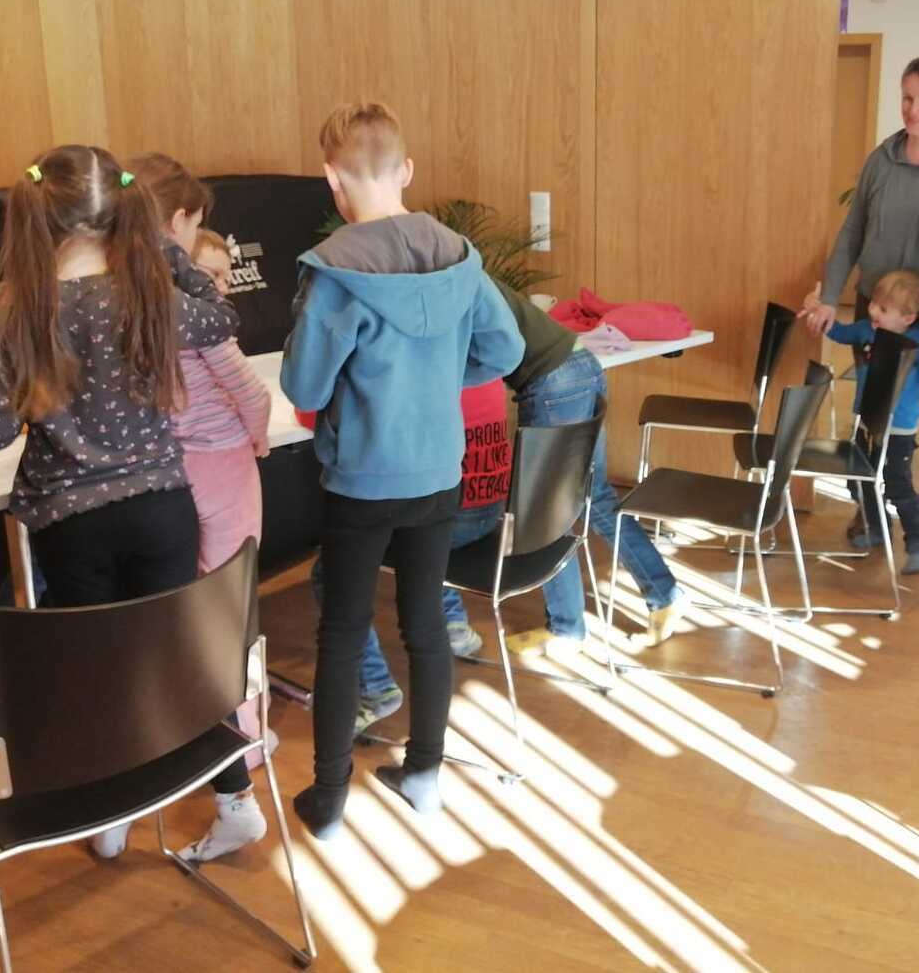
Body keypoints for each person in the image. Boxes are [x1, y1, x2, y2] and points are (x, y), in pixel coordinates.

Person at [0, 145, 252, 860]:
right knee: (179, 652)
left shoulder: (5, 306)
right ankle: (235, 798)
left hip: (70, 520)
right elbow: (220, 317)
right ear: (126, 213)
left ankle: (115, 809)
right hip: (161, 506)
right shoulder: (146, 292)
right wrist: (165, 251)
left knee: (102, 666)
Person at [281, 102, 524, 839]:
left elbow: (305, 388)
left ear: (332, 179)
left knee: (343, 632)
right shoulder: (460, 257)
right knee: (425, 624)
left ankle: (329, 800)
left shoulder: (335, 274)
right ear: (407, 170)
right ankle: (423, 775)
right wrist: (438, 382)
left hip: (362, 479)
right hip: (438, 472)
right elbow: (506, 351)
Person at [128, 153, 275, 862]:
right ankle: (244, 746)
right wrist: (258, 436)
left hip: (168, 471)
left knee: (190, 612)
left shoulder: (122, 293)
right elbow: (247, 389)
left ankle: (206, 738)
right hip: (224, 467)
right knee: (230, 614)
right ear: (180, 220)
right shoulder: (190, 307)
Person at [803, 51, 919, 546]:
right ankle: (870, 502)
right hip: (880, 305)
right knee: (876, 400)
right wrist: (829, 296)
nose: (914, 109)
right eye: (907, 97)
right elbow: (852, 232)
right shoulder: (881, 159)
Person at [492, 280, 689, 660]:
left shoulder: (446, 287)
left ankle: (566, 628)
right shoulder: (466, 274)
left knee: (545, 509)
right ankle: (665, 595)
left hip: (553, 382)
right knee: (594, 497)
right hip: (582, 363)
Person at [345, 378, 506, 734]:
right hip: (492, 514)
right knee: (423, 527)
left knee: (333, 571)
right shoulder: (484, 367)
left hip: (450, 519)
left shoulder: (420, 379)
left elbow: (317, 413)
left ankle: (376, 686)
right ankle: (454, 624)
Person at [804, 270, 919, 575]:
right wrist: (816, 311)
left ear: (908, 318)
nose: (873, 311)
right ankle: (877, 527)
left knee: (898, 485)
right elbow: (838, 332)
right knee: (858, 480)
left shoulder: (918, 344)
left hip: (897, 432)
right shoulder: (865, 330)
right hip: (865, 424)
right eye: (873, 303)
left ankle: (917, 544)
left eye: (884, 309)